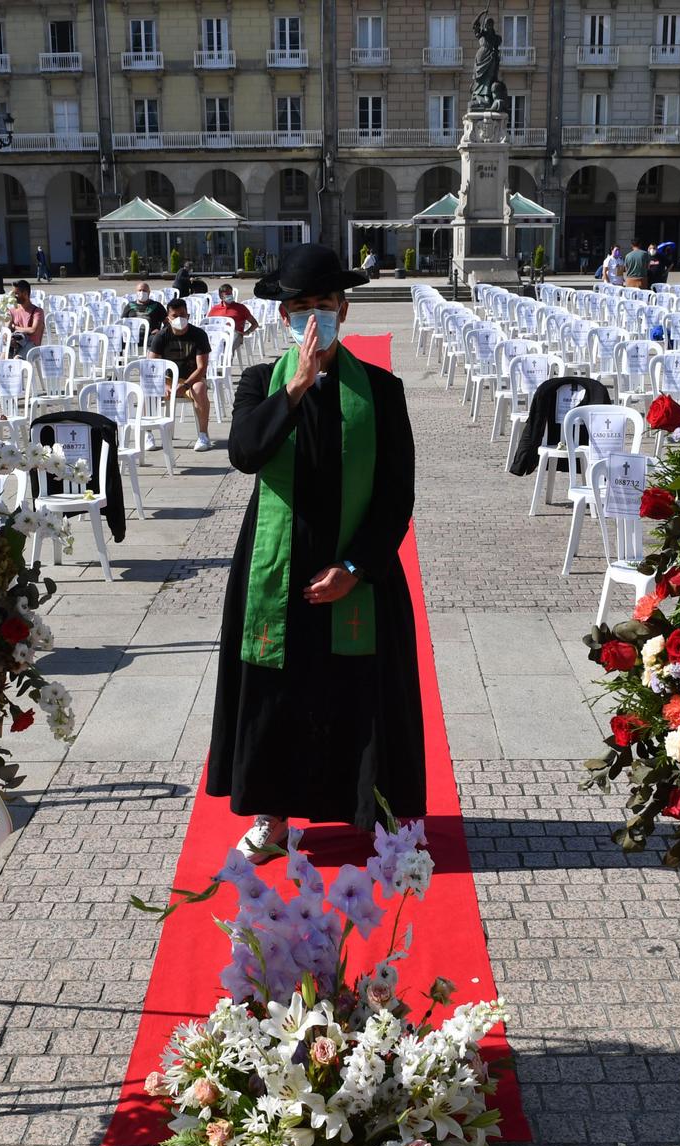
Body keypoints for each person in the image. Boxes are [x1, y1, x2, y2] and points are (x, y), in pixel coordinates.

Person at [209, 242, 423, 856]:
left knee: (360, 687)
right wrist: (296, 388)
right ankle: (272, 820)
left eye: (323, 305)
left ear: (344, 309)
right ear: (283, 317)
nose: (313, 317)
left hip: (359, 565)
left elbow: (395, 494)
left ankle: (374, 811)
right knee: (274, 691)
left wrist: (356, 567)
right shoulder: (259, 383)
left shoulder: (382, 391)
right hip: (276, 566)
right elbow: (246, 453)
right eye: (300, 307)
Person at [148, 297, 214, 451]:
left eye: (182, 315)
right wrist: (164, 384)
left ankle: (203, 435)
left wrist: (185, 385)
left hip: (191, 378)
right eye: (175, 316)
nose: (179, 319)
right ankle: (148, 434)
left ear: (188, 316)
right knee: (147, 389)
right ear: (167, 319)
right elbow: (151, 366)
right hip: (169, 379)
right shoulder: (161, 336)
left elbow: (202, 367)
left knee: (199, 389)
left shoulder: (198, 335)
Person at [210, 282, 259, 351]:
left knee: (228, 346)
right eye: (227, 294)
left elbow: (255, 324)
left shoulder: (240, 308)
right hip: (218, 335)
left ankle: (227, 361)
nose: (230, 296)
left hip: (235, 334)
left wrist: (246, 332)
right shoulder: (215, 309)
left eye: (231, 294)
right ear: (221, 296)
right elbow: (208, 324)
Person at [7, 280, 44, 356]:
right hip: (15, 342)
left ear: (25, 294)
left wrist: (15, 327)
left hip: (32, 345)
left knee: (17, 360)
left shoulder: (37, 311)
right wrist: (9, 339)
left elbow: (33, 330)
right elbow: (7, 330)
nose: (14, 296)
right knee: (3, 360)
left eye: (16, 294)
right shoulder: (12, 311)